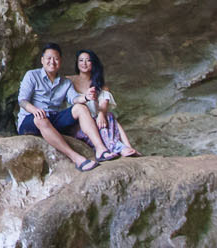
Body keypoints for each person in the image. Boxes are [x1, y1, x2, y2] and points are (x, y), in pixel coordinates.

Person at [15, 43, 105, 171]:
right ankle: (77, 159)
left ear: (60, 61)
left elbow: (74, 99)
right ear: (42, 60)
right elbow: (22, 101)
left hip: (53, 118)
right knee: (41, 118)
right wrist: (34, 110)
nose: (52, 62)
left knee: (81, 107)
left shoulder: (65, 82)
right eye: (49, 58)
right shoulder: (31, 75)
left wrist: (86, 97)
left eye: (56, 59)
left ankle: (101, 149)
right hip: (31, 120)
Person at [73, 48, 139, 160]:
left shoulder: (101, 86)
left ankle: (126, 147)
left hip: (97, 121)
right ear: (77, 63)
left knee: (108, 116)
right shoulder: (69, 81)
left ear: (93, 63)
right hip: (78, 123)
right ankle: (119, 147)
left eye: (88, 60)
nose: (84, 63)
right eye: (81, 60)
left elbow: (104, 105)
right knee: (105, 120)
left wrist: (101, 114)